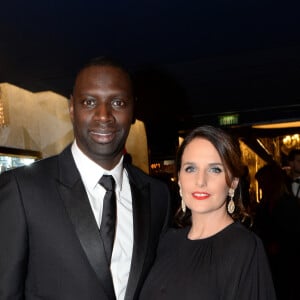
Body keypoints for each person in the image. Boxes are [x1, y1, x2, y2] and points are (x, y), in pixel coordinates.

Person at [0, 56, 171, 300]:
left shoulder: (157, 196)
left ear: (133, 110)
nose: (104, 115)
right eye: (89, 102)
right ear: (72, 109)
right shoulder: (22, 190)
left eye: (118, 102)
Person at [139, 125, 276, 300]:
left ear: (233, 182)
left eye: (214, 169)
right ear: (179, 178)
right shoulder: (167, 241)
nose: (200, 181)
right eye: (191, 168)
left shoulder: (244, 247)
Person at [253, 163, 300, 300]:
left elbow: (294, 235)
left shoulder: (288, 204)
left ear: (272, 182)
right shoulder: (265, 204)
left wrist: (278, 245)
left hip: (286, 264)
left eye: (263, 183)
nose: (261, 187)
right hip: (269, 262)